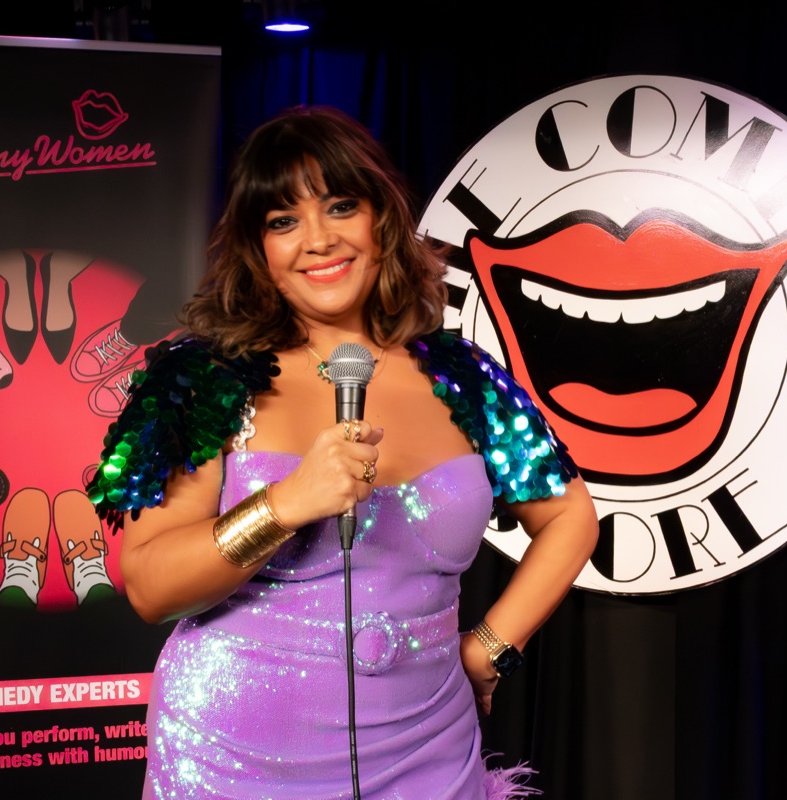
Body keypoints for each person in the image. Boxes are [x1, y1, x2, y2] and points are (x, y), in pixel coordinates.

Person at [87, 105, 599, 799]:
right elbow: (149, 586)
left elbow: (570, 518)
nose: (319, 240)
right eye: (283, 221)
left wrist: (486, 650)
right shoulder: (201, 377)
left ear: (380, 220)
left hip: (431, 750)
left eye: (340, 206)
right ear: (256, 249)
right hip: (237, 760)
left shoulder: (463, 375)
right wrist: (284, 505)